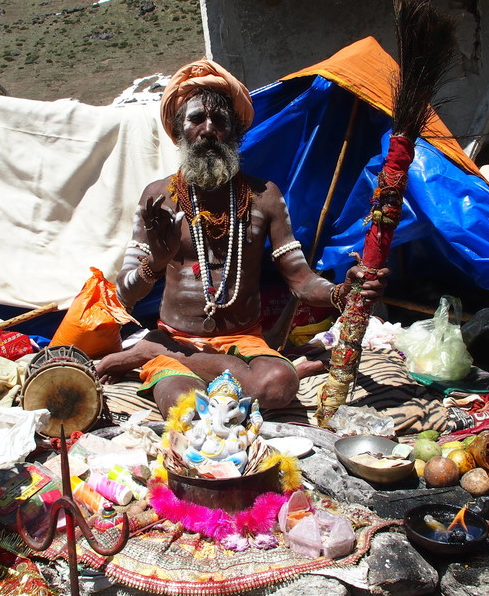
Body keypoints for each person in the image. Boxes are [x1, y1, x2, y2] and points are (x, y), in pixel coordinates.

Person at [95, 59, 386, 417]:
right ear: (177, 129)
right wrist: (155, 263)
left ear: (235, 133)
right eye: (196, 119)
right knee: (184, 407)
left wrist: (342, 292)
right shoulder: (159, 197)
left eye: (220, 121)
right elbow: (123, 294)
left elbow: (301, 280)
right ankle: (173, 357)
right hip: (178, 337)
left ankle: (150, 352)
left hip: (243, 342)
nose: (208, 130)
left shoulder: (264, 196)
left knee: (279, 385)